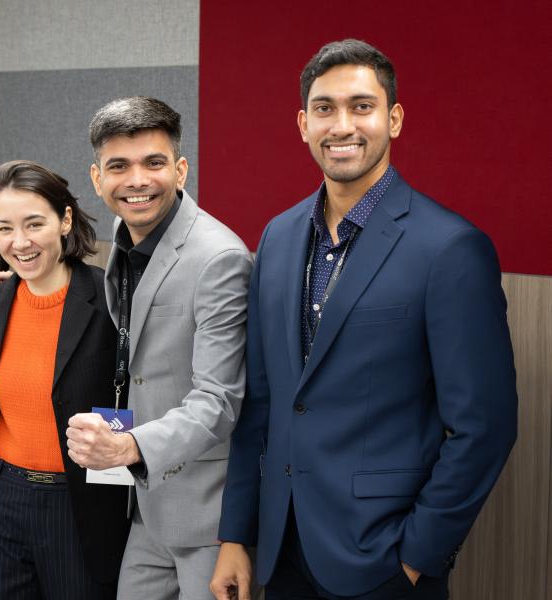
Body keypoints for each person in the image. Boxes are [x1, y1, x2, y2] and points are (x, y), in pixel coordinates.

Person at [210, 39, 518, 600]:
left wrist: (419, 556)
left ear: (393, 119)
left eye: (361, 106)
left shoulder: (451, 248)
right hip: (282, 553)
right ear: (303, 123)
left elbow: (485, 426)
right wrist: (236, 534)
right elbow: (262, 402)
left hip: (385, 560)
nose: (341, 125)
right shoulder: (277, 238)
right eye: (325, 108)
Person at [0, 98, 252, 599]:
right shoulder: (124, 249)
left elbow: (220, 400)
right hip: (136, 506)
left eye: (154, 163)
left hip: (199, 512)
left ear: (181, 170)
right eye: (119, 166)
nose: (137, 180)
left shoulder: (219, 257)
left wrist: (129, 447)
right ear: (98, 179)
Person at [0, 160, 129, 599]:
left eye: (34, 223)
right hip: (0, 499)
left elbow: (129, 399)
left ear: (66, 220)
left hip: (77, 505)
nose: (19, 243)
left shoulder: (110, 300)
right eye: (4, 228)